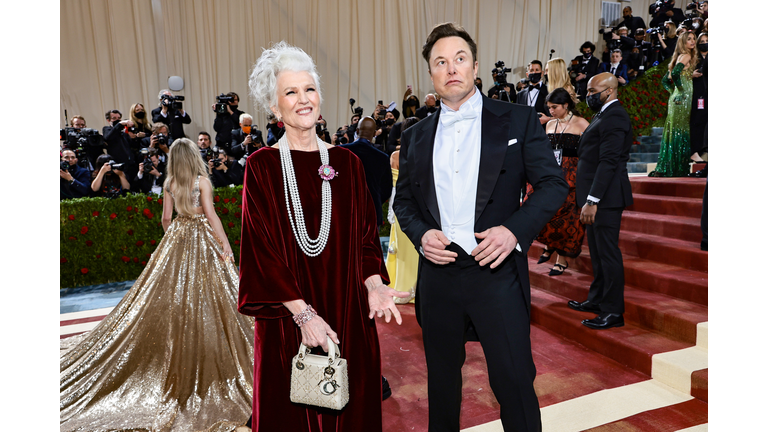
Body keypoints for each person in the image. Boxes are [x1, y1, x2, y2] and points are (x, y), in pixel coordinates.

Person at [393, 23, 568, 432]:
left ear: (475, 67)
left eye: (459, 58)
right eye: (440, 61)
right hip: (438, 276)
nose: (451, 67)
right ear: (431, 74)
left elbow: (552, 184)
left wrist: (513, 231)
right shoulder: (415, 135)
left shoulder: (519, 120)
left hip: (496, 272)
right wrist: (420, 235)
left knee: (513, 382)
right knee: (442, 387)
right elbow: (403, 201)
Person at [237, 41, 408, 432]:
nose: (303, 99)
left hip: (348, 311)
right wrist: (304, 316)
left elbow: (366, 238)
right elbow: (261, 253)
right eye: (291, 92)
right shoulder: (261, 167)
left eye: (309, 89)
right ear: (275, 108)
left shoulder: (347, 164)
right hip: (288, 316)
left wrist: (375, 283)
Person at [61, 138, 255, 431]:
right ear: (193, 156)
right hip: (202, 237)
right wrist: (225, 246)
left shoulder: (170, 184)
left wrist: (173, 240)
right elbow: (211, 215)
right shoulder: (201, 181)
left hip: (178, 236)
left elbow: (166, 218)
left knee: (172, 293)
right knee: (215, 292)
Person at [568, 72, 634, 330]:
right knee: (597, 253)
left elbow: (608, 162)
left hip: (605, 198)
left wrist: (593, 199)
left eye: (593, 91)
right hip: (595, 196)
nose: (588, 96)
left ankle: (614, 311)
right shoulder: (603, 114)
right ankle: (597, 300)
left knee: (608, 254)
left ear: (609, 90)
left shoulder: (616, 115)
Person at [529, 88, 590, 277]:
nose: (551, 111)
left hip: (573, 178)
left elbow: (588, 155)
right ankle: (549, 245)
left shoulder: (582, 124)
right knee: (544, 212)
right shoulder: (550, 124)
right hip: (551, 176)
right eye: (549, 107)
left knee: (568, 218)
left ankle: (560, 259)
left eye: (554, 107)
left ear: (565, 105)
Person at [649, 31, 699, 177]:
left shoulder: (677, 57)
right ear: (683, 42)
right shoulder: (687, 55)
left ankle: (669, 167)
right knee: (680, 132)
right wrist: (682, 91)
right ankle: (677, 168)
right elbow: (676, 74)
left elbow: (665, 80)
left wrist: (673, 92)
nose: (693, 41)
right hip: (682, 100)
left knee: (673, 132)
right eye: (689, 39)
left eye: (694, 39)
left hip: (675, 99)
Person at [385, 116, 420, 303]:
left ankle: (400, 286)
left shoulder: (395, 156)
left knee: (400, 247)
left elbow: (393, 185)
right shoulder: (424, 152)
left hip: (399, 205)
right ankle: (418, 287)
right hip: (418, 206)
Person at [340, 116, 392, 226]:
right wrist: (373, 201)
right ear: (374, 134)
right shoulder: (383, 158)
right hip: (371, 214)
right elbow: (387, 189)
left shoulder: (341, 151)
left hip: (345, 212)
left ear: (357, 131)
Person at [689, 32, 708, 167]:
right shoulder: (693, 58)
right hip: (699, 96)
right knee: (698, 121)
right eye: (701, 41)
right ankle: (696, 149)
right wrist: (691, 74)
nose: (704, 43)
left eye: (707, 40)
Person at [517, 60, 550, 125]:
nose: (534, 72)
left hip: (543, 130)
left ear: (542, 73)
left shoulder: (549, 91)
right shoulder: (520, 94)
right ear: (527, 74)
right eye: (531, 70)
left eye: (537, 70)